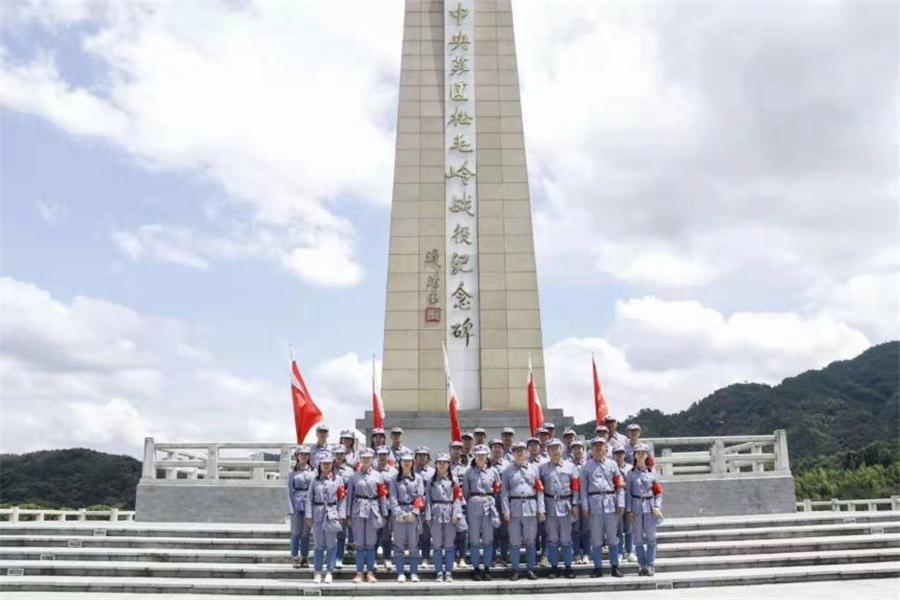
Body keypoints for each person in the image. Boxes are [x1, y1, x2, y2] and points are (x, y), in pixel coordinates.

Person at [501, 441, 545, 581]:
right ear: (513, 453)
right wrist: (506, 510)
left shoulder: (535, 469)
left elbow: (539, 490)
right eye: (516, 451)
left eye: (522, 450)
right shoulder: (507, 471)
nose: (519, 453)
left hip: (530, 507)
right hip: (514, 508)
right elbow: (504, 493)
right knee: (514, 541)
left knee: (530, 541)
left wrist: (541, 509)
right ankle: (515, 570)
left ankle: (530, 569)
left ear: (526, 452)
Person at [581, 437, 625, 578]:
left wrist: (621, 503)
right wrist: (585, 506)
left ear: (606, 448)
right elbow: (583, 489)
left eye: (601, 446)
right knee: (596, 539)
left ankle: (614, 567)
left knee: (613, 537)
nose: (599, 448)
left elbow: (619, 485)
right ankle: (597, 567)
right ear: (592, 449)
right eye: (596, 446)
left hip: (610, 504)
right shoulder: (586, 467)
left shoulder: (613, 465)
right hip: (594, 505)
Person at [538, 439, 579, 579]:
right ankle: (554, 567)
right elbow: (539, 490)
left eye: (557, 448)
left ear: (562, 450)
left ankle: (568, 567)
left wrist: (575, 504)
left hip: (566, 505)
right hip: (550, 505)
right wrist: (541, 509)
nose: (555, 451)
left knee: (567, 539)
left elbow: (575, 487)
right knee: (552, 539)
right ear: (548, 451)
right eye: (551, 448)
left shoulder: (570, 466)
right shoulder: (542, 468)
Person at [304, 451, 346, 584]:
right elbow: (309, 498)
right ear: (320, 465)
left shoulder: (338, 479)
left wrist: (341, 515)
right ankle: (317, 572)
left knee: (331, 544)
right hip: (318, 513)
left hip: (332, 514)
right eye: (324, 464)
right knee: (318, 545)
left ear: (332, 464)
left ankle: (329, 571)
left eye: (328, 463)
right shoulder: (315, 480)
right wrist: (308, 515)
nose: (326, 466)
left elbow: (342, 498)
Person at [347, 448, 387, 583]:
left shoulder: (378, 476)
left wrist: (384, 513)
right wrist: (348, 515)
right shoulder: (354, 477)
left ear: (372, 460)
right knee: (359, 543)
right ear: (360, 460)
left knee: (370, 543)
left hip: (373, 509)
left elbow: (382, 495)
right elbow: (349, 496)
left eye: (368, 458)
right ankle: (359, 572)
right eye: (363, 458)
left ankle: (370, 572)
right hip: (358, 510)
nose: (366, 460)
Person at [463, 444, 500, 581]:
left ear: (487, 456)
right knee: (474, 539)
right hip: (474, 503)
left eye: (483, 455)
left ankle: (487, 568)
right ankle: (476, 568)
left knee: (488, 539)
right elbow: (465, 491)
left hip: (489, 504)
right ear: (474, 456)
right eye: (478, 455)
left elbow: (497, 489)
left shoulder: (493, 471)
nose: (480, 457)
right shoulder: (468, 471)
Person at [427, 453, 464, 582]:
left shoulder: (454, 480)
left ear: (448, 465)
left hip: (450, 513)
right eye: (439, 462)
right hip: (436, 513)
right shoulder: (431, 480)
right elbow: (428, 498)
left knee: (449, 544)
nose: (442, 465)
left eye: (445, 462)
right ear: (436, 464)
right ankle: (438, 572)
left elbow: (458, 497)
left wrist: (457, 513)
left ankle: (448, 572)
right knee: (437, 545)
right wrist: (428, 514)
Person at [627, 443, 663, 576]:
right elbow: (628, 494)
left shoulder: (652, 473)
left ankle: (650, 565)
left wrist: (657, 506)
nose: (641, 455)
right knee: (638, 539)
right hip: (636, 507)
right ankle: (642, 565)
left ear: (647, 455)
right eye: (638, 453)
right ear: (635, 456)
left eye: (643, 453)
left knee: (651, 538)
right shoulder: (630, 473)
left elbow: (658, 492)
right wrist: (629, 510)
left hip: (650, 507)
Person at [389, 451, 425, 583]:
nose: (407, 463)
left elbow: (420, 497)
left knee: (414, 545)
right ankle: (400, 573)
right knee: (398, 545)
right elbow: (392, 498)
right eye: (404, 461)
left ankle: (414, 572)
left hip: (413, 514)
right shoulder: (394, 479)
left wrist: (414, 513)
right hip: (399, 514)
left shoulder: (418, 478)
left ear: (413, 462)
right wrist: (399, 514)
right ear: (400, 463)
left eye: (409, 461)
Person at [286, 446, 313, 568]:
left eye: (306, 454)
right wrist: (290, 507)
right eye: (301, 454)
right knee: (296, 531)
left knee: (306, 531)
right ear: (297, 456)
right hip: (296, 501)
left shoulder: (313, 473)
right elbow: (289, 491)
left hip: (309, 502)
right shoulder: (293, 474)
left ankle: (304, 556)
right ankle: (295, 556)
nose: (304, 456)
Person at [374, 445, 397, 571]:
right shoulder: (371, 469)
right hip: (374, 505)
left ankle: (387, 558)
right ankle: (373, 560)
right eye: (380, 454)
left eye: (384, 454)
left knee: (387, 533)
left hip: (388, 504)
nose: (382, 457)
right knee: (374, 533)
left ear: (388, 456)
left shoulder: (394, 472)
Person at [569, 439, 591, 564]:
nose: (577, 451)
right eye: (575, 448)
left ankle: (587, 553)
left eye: (579, 448)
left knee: (587, 529)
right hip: (574, 502)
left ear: (583, 450)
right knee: (575, 529)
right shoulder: (568, 465)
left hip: (587, 501)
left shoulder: (588, 465)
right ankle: (577, 554)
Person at [332, 446, 354, 570]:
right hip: (330, 502)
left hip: (344, 502)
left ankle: (338, 557)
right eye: (337, 454)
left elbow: (353, 487)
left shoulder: (350, 471)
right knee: (329, 532)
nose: (339, 456)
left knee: (341, 532)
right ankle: (329, 556)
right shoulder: (328, 467)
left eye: (341, 454)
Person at [613, 446, 636, 562]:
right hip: (615, 501)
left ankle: (630, 551)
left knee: (629, 528)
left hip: (628, 500)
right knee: (618, 528)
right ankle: (619, 552)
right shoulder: (611, 467)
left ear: (624, 454)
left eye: (621, 453)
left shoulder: (631, 468)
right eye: (617, 453)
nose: (619, 455)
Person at [489, 439, 510, 567]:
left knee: (504, 532)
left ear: (503, 450)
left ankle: (503, 557)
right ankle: (491, 558)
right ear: (491, 450)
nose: (497, 449)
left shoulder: (508, 465)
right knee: (491, 532)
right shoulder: (485, 463)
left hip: (504, 502)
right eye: (494, 447)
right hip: (490, 502)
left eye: (499, 447)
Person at [449, 440, 470, 568]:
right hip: (448, 503)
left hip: (462, 503)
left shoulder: (466, 468)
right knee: (450, 532)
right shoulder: (444, 465)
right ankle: (452, 557)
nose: (457, 451)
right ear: (450, 450)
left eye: (459, 448)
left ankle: (462, 557)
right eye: (454, 448)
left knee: (463, 531)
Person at [414, 447, 435, 569]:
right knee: (414, 534)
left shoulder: (433, 472)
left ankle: (425, 558)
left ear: (428, 458)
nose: (422, 457)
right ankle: (414, 557)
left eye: (424, 455)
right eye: (419, 455)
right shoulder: (411, 471)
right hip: (413, 506)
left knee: (426, 534)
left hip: (427, 506)